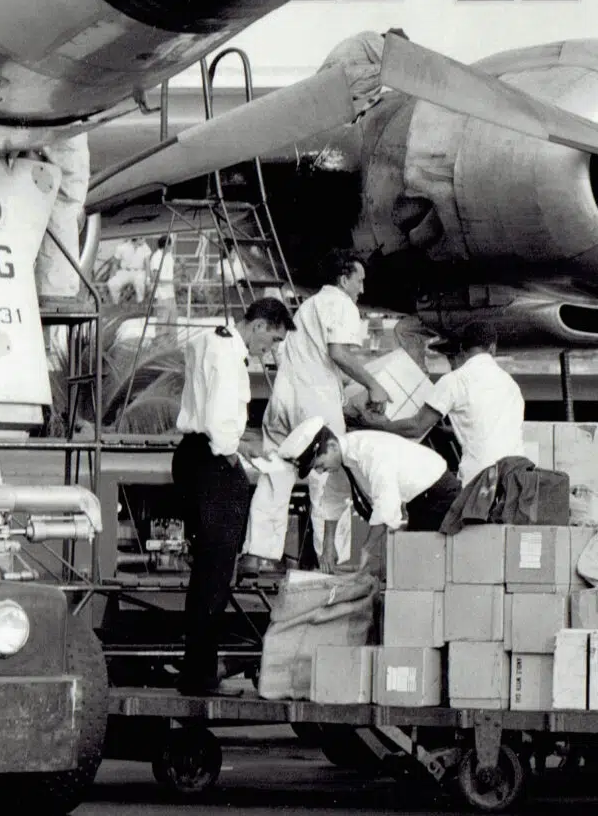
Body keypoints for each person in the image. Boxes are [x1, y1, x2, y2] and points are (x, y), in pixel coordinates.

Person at [241, 262, 374, 568]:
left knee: (275, 474)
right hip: (314, 407)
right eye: (359, 281)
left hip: (283, 400)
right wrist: (374, 386)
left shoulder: (307, 307)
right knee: (328, 480)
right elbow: (338, 353)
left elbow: (315, 362)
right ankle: (332, 561)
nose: (362, 289)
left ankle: (259, 553)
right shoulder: (341, 304)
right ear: (344, 279)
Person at [171, 316, 264, 694]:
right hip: (212, 461)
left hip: (191, 456)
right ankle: (201, 674)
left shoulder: (208, 340)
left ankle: (198, 669)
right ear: (258, 325)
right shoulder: (229, 353)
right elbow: (220, 414)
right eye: (270, 339)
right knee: (216, 572)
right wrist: (230, 452)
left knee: (206, 572)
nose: (267, 350)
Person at [283, 416, 457, 553]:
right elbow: (332, 500)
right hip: (420, 500)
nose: (320, 472)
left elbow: (386, 506)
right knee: (413, 565)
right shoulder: (342, 459)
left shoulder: (369, 452)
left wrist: (367, 549)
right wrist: (328, 546)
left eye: (320, 465)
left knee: (422, 564)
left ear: (332, 445)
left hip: (439, 494)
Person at [414, 336, 530, 487]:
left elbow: (416, 427)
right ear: (492, 348)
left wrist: (378, 424)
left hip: (480, 478)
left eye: (452, 359)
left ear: (462, 352)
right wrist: (451, 431)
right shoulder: (510, 383)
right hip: (516, 474)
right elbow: (490, 426)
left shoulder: (455, 380)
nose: (451, 365)